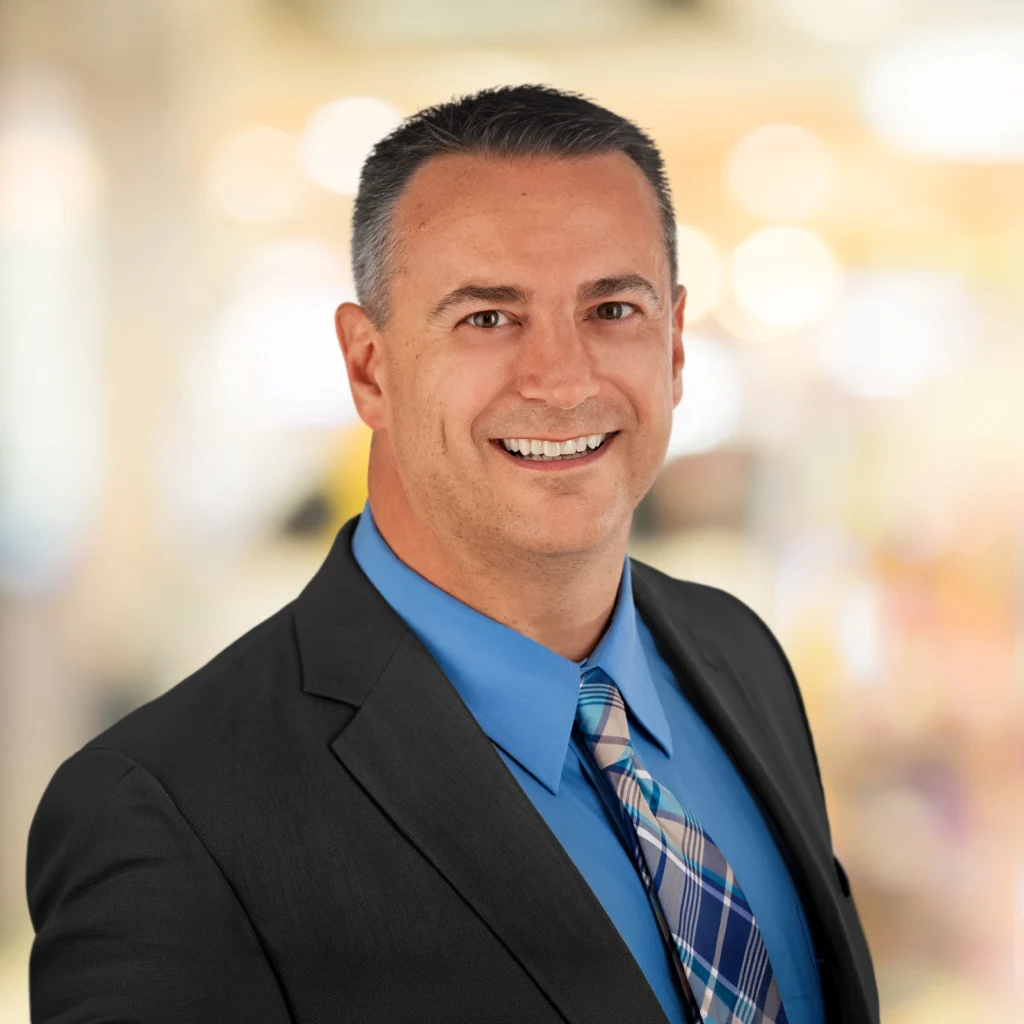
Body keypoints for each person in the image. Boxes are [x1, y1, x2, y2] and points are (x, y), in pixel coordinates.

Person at [25, 85, 878, 1024]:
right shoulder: (167, 814)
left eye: (612, 310)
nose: (562, 380)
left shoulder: (739, 654)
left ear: (675, 344)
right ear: (369, 366)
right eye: (487, 318)